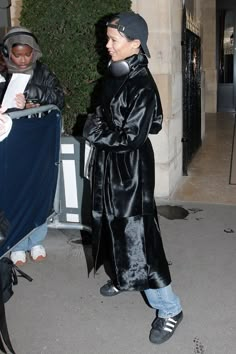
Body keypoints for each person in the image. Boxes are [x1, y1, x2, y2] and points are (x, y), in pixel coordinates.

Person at [83, 11, 183, 345]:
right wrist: (100, 126)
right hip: (110, 164)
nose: (106, 45)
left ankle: (169, 308)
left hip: (131, 171)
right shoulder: (116, 75)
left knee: (139, 236)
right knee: (111, 224)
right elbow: (104, 115)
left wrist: (95, 133)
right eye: (108, 39)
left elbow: (133, 137)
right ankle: (125, 277)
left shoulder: (142, 85)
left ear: (135, 43)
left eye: (113, 40)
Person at [0, 26, 64, 266]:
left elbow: (59, 98)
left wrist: (31, 96)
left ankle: (36, 238)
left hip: (38, 144)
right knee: (14, 191)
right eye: (18, 55)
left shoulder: (44, 72)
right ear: (8, 53)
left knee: (39, 188)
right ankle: (16, 243)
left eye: (28, 54)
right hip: (12, 145)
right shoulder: (1, 75)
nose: (24, 59)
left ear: (34, 52)